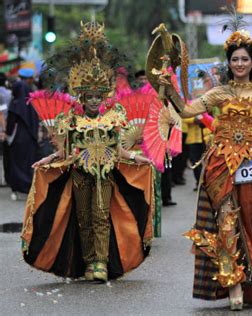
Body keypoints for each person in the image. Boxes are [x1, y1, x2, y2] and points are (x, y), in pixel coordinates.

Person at [148, 18, 252, 310]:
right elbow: (185, 111)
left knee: (248, 220)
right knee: (225, 221)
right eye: (234, 59)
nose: (239, 64)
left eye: (244, 59)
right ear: (229, 62)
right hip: (220, 163)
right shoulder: (219, 93)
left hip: (250, 164)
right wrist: (168, 87)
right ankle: (232, 282)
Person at [21, 21, 153, 282]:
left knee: (102, 216)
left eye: (97, 96)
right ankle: (87, 260)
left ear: (104, 97)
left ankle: (101, 263)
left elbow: (119, 152)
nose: (94, 100)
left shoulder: (112, 119)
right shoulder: (70, 121)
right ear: (81, 97)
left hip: (105, 176)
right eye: (89, 96)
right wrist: (46, 160)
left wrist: (139, 158)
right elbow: (64, 152)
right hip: (79, 176)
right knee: (83, 218)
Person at [6, 68, 39, 200]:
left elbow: (10, 123)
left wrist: (7, 134)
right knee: (28, 163)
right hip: (30, 137)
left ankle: (17, 188)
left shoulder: (15, 104)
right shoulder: (32, 102)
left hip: (18, 136)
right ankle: (29, 187)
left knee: (16, 162)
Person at [0, 72, 12, 186]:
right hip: (6, 126)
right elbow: (2, 114)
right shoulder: (8, 94)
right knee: (5, 154)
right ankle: (5, 178)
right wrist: (4, 130)